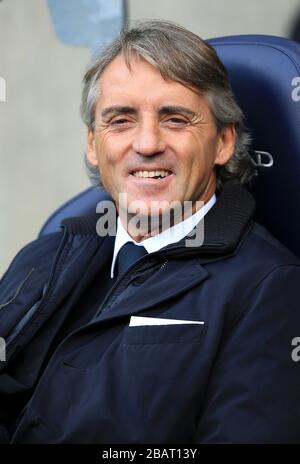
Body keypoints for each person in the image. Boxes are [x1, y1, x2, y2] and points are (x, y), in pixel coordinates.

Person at [1, 19, 300, 444]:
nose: (146, 144)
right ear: (93, 143)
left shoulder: (270, 289)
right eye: (121, 120)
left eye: (175, 118)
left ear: (224, 142)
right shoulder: (47, 253)